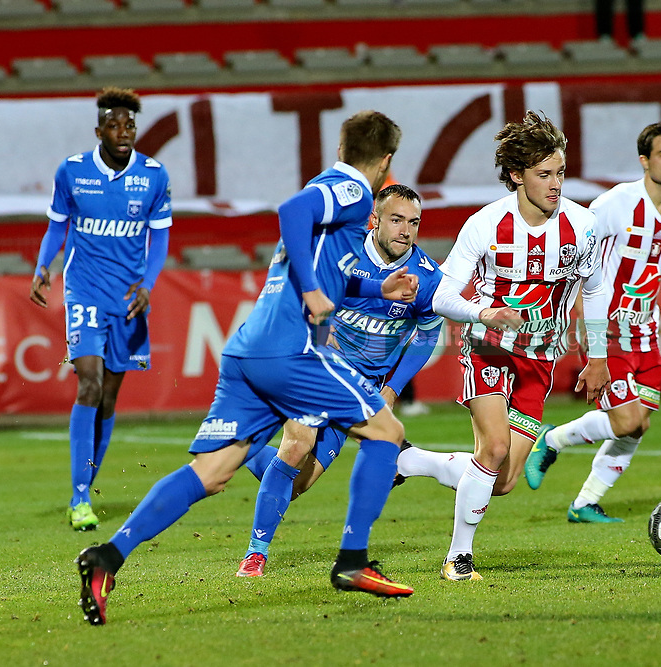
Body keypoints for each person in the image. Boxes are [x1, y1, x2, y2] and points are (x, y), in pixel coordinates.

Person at [75, 110, 417, 627]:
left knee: (211, 474)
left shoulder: (331, 188)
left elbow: (325, 268)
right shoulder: (349, 191)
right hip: (291, 350)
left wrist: (376, 288)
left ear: (342, 145)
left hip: (247, 350)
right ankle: (351, 561)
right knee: (387, 432)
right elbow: (291, 212)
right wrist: (310, 291)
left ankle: (107, 557)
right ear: (387, 160)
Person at [394, 111, 610, 582]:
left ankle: (411, 460)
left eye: (560, 173)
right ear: (516, 175)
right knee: (492, 448)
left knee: (504, 480)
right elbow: (441, 293)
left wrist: (597, 358)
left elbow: (594, 289)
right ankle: (458, 558)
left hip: (542, 356)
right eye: (544, 174)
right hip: (488, 345)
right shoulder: (485, 224)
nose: (555, 185)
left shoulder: (584, 225)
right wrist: (482, 312)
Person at [236, 184, 442, 578]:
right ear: (374, 220)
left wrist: (392, 388)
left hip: (361, 391)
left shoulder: (427, 278)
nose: (406, 231)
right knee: (297, 447)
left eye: (413, 222)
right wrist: (316, 333)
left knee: (296, 482)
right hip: (317, 370)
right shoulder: (339, 257)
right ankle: (255, 555)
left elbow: (428, 336)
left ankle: (245, 448)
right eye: (396, 220)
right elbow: (297, 297)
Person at [524, 121, 661, 523]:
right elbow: (576, 256)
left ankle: (584, 503)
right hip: (607, 328)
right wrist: (574, 316)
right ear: (644, 161)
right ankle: (551, 438)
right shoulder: (614, 204)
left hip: (646, 330)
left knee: (637, 426)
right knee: (625, 419)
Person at [30, 87, 172, 532]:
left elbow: (161, 239)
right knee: (88, 384)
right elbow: (57, 227)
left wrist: (147, 285)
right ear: (99, 130)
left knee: (110, 397)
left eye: (129, 125)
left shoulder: (153, 175)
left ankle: (85, 483)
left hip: (128, 300)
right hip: (84, 293)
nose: (123, 131)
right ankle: (78, 497)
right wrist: (42, 268)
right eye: (114, 125)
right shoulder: (72, 172)